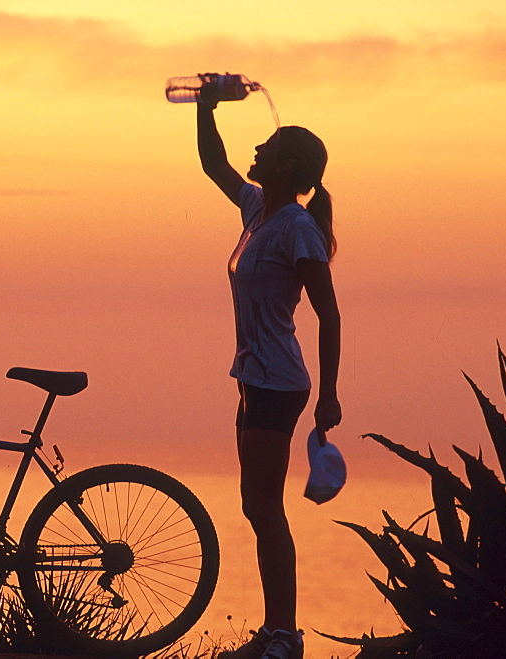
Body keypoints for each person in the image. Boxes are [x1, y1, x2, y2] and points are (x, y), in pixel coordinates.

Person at [196, 80, 342, 659]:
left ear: (285, 167)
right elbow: (214, 163)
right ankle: (275, 630)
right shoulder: (259, 208)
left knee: (263, 506)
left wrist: (330, 394)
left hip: (277, 383)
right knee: (256, 505)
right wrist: (205, 106)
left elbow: (328, 315)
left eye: (266, 147)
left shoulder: (299, 228)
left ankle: (285, 635)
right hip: (254, 376)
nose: (255, 150)